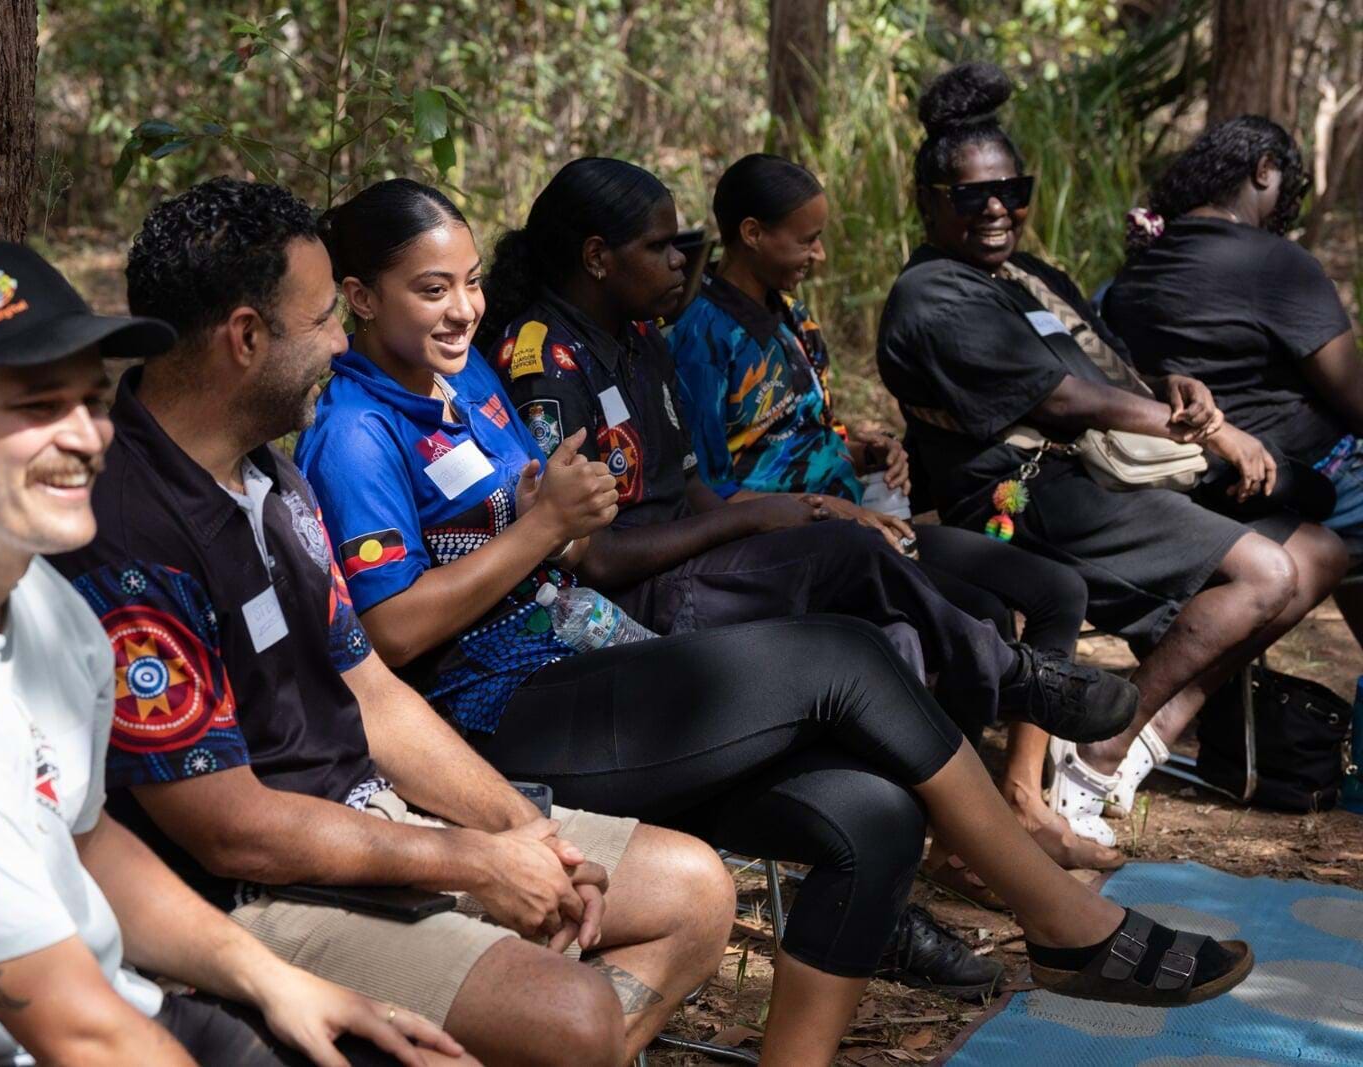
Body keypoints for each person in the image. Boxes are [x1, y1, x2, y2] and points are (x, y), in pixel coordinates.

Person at [297, 176, 1253, 1067]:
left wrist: (563, 521)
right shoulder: (353, 430)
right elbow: (388, 632)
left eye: (469, 282)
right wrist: (547, 525)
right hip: (493, 716)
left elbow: (552, 530)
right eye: (432, 289)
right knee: (838, 654)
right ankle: (1060, 920)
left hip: (587, 657)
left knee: (871, 816)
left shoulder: (462, 385)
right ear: (361, 297)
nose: (464, 307)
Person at [48, 177, 736, 1067]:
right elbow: (230, 827)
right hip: (254, 889)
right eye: (327, 318)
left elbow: (369, 686)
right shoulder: (131, 529)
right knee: (572, 1015)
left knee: (694, 893)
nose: (344, 341)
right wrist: (469, 860)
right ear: (247, 339)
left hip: (377, 817)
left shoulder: (272, 478)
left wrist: (520, 834)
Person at [0, 241, 467, 1067]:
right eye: (35, 407)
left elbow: (84, 839)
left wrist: (274, 979)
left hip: (120, 1001)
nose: (87, 434)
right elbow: (77, 1032)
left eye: (91, 398)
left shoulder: (46, 606)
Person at [875, 63, 1348, 849]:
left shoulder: (1021, 273)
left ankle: (1147, 730)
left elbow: (1099, 365)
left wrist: (1172, 383)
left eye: (1012, 191)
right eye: (970, 196)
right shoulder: (933, 294)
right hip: (1021, 497)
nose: (996, 209)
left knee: (1319, 550)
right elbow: (1063, 401)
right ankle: (1102, 746)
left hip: (1093, 475)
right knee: (1265, 573)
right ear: (929, 202)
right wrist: (1206, 431)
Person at [667, 151, 1118, 874]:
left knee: (1055, 589)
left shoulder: (790, 315)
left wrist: (865, 447)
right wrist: (823, 510)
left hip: (857, 522)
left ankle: (1019, 800)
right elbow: (707, 487)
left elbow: (799, 426)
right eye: (804, 240)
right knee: (975, 622)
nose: (818, 255)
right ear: (750, 233)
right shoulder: (698, 336)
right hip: (798, 541)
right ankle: (959, 838)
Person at [1105, 116, 1362, 639]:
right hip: (1291, 480)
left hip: (1195, 486)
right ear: (1265, 170)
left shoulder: (1133, 274)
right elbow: (1355, 397)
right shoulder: (1276, 265)